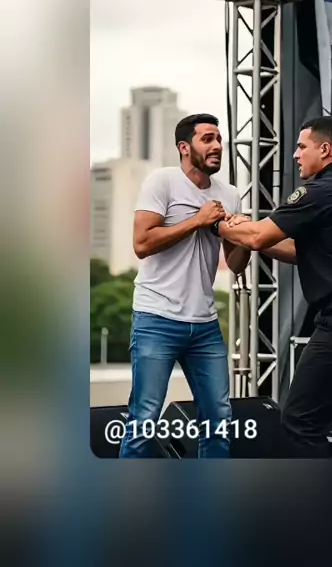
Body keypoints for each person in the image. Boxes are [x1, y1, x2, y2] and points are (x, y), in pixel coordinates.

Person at [217, 115, 332, 458]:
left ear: (324, 150)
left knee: (300, 420)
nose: (295, 155)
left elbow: (258, 235)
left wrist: (218, 225)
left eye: (301, 147)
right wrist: (250, 236)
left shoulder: (321, 191)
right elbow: (298, 251)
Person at [120, 113, 250, 458]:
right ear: (184, 147)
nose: (217, 146)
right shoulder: (162, 181)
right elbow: (142, 244)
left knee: (219, 420)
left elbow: (236, 264)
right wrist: (198, 220)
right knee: (144, 420)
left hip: (205, 325)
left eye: (219, 139)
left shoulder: (230, 194)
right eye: (207, 139)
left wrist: (245, 237)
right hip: (156, 319)